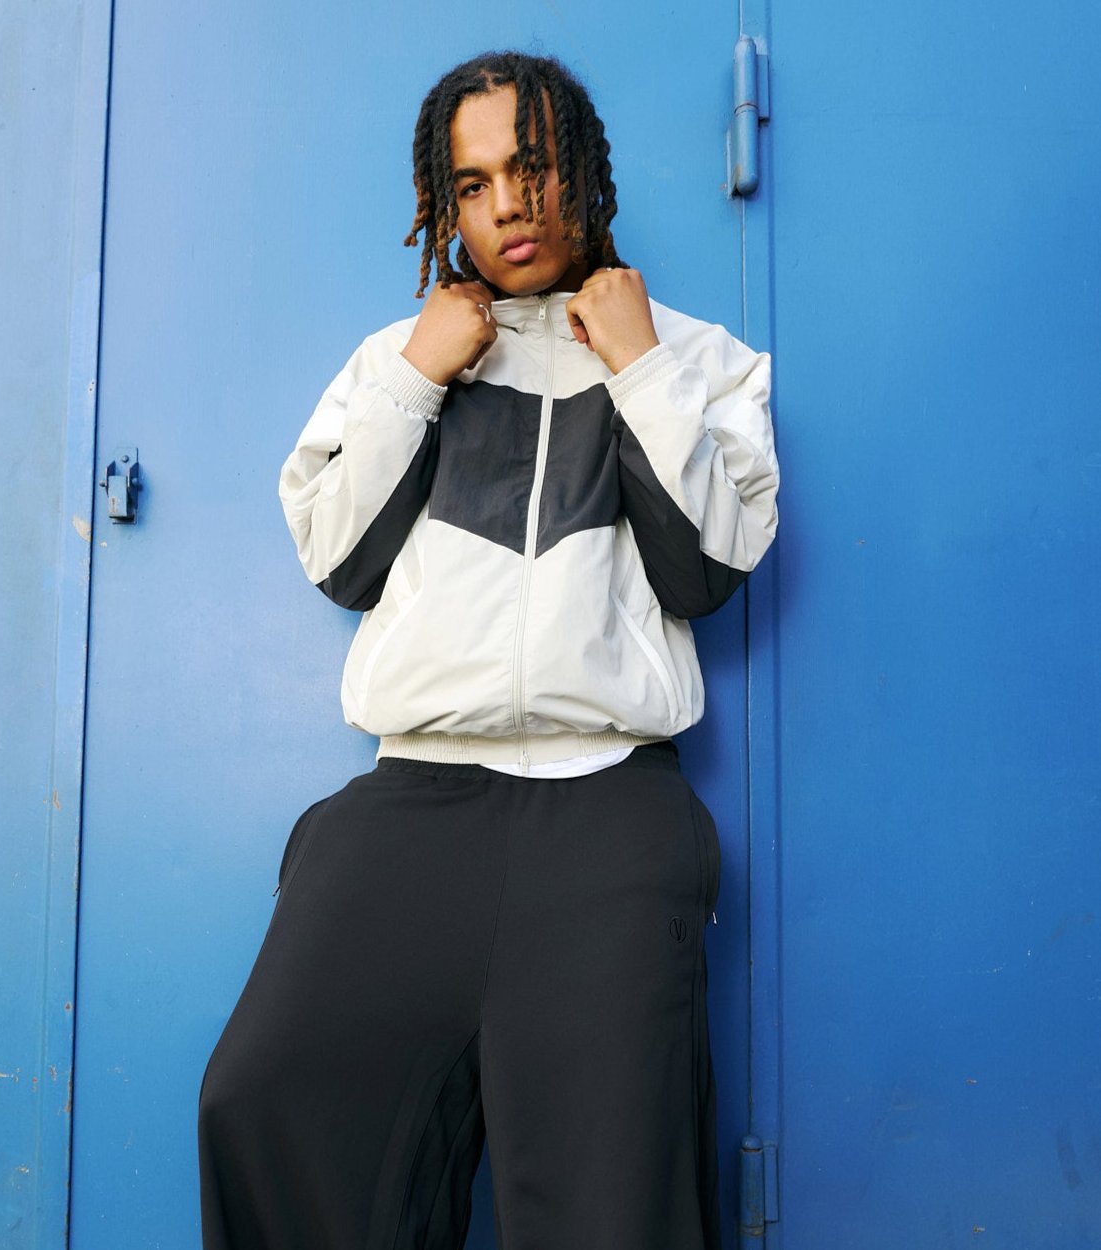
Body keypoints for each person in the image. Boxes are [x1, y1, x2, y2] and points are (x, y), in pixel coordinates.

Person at [198, 49, 779, 1250]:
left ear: (581, 166)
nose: (507, 204)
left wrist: (639, 363)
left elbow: (705, 570)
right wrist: (419, 373)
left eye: (531, 164)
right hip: (415, 799)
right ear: (444, 204)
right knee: (260, 1102)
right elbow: (340, 560)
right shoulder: (394, 359)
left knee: (612, 1196)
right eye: (470, 185)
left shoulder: (700, 359)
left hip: (608, 812)